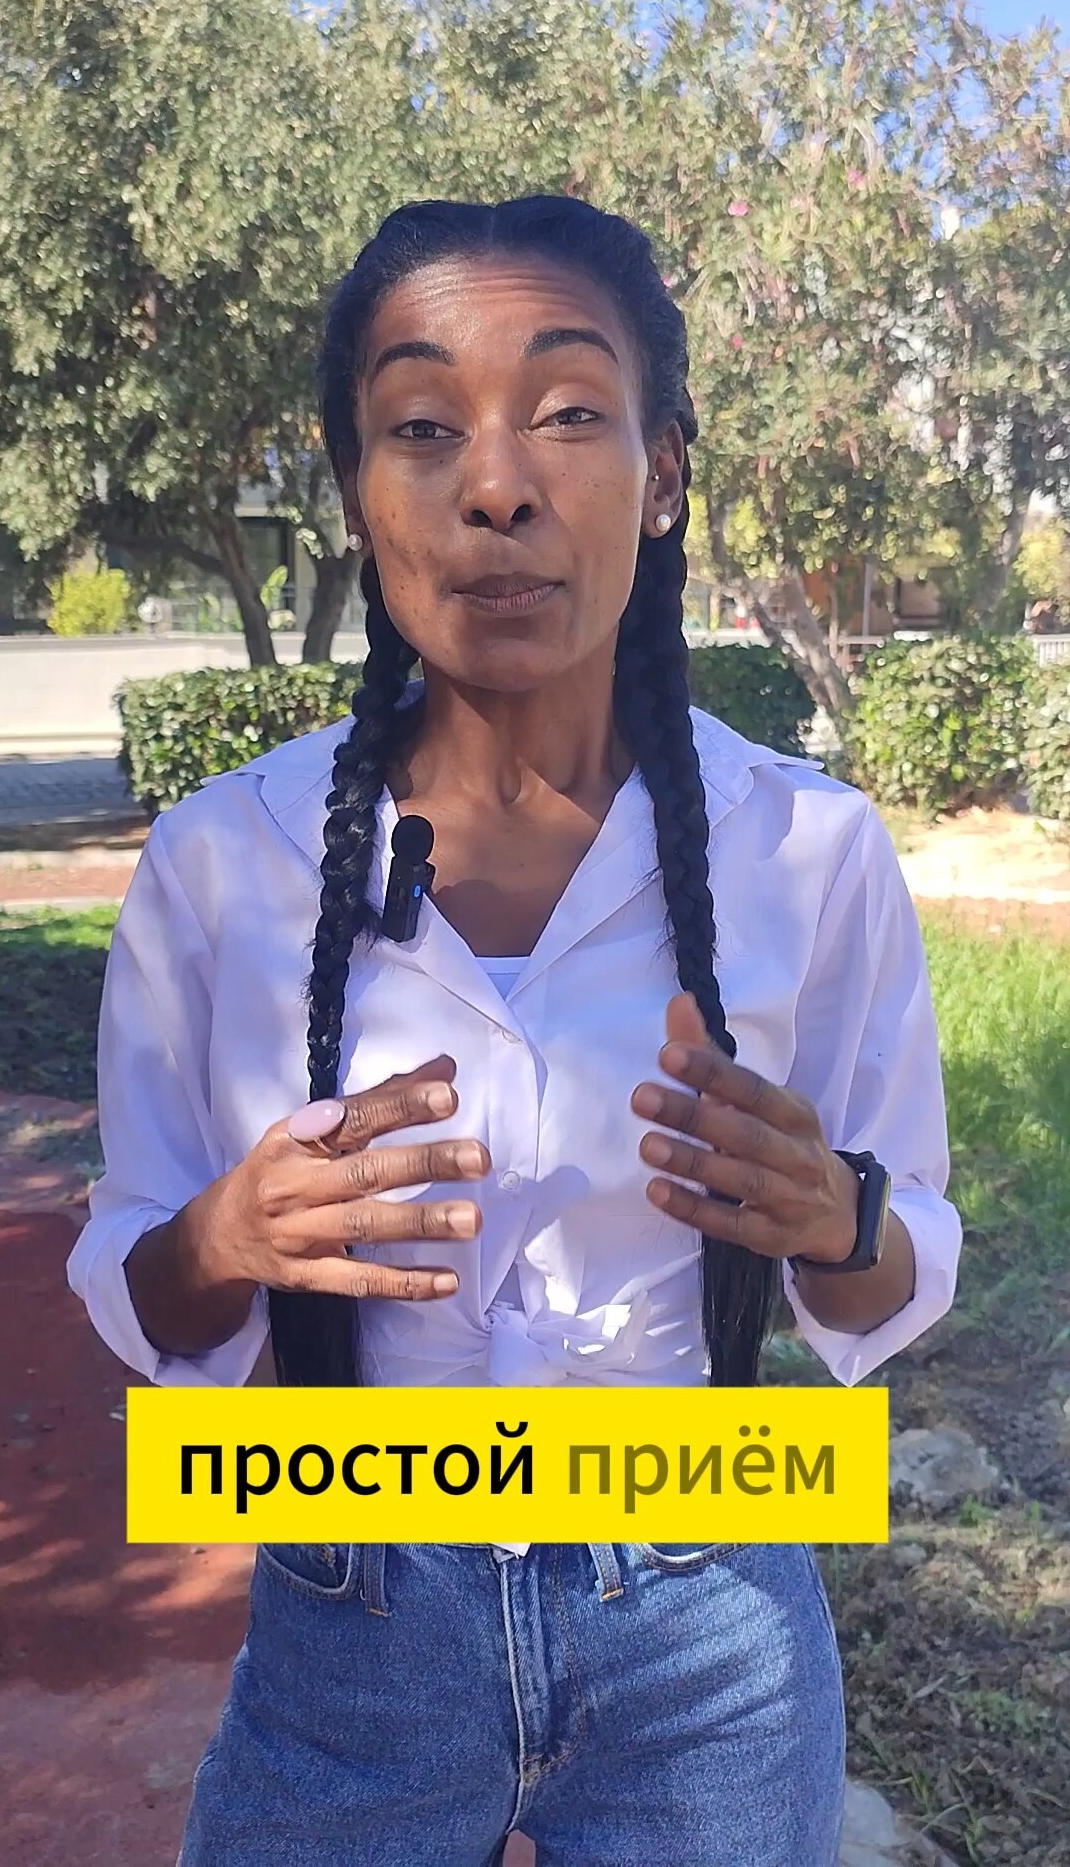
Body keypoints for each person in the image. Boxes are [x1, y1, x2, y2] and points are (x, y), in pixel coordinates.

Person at [67, 196, 961, 1867]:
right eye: (422, 426)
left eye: (566, 412)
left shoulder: (808, 851)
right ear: (356, 488)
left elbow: (893, 1278)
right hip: (351, 1615)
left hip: (708, 1622)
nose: (495, 484)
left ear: (664, 471)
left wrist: (838, 1217)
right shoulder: (222, 862)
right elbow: (144, 1292)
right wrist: (224, 1237)